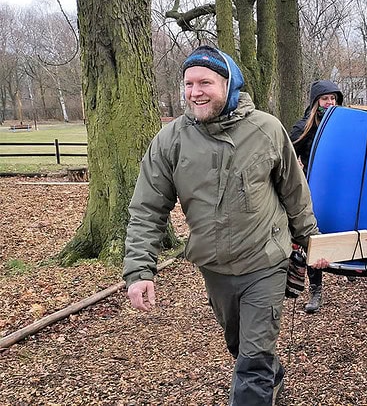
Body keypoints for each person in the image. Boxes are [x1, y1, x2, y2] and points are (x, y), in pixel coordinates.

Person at [123, 45, 318, 405]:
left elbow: (294, 191)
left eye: (205, 82)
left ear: (229, 85)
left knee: (253, 359)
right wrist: (139, 271)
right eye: (188, 83)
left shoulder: (267, 129)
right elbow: (147, 209)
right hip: (215, 268)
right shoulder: (171, 140)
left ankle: (261, 381)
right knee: (241, 349)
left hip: (266, 262)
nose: (195, 91)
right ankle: (272, 382)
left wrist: (313, 242)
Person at [289, 80, 344, 314]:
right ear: (315, 102)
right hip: (312, 192)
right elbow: (287, 159)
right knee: (312, 238)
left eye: (333, 98)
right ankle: (316, 289)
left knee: (341, 227)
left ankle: (348, 263)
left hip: (340, 189)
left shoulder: (343, 125)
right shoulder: (303, 127)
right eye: (325, 99)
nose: (329, 102)